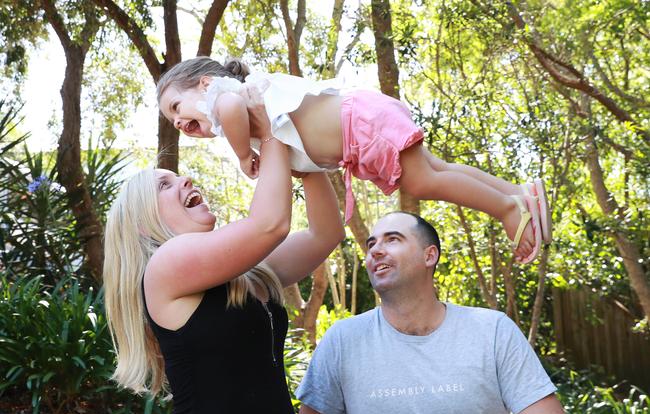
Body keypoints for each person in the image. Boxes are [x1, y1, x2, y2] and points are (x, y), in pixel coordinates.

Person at [102, 86, 345, 414]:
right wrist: (270, 135)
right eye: (165, 185)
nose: (184, 180)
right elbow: (270, 224)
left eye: (178, 176)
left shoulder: (246, 276)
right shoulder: (166, 267)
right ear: (145, 225)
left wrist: (302, 155)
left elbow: (325, 234)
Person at [290, 212, 592, 414]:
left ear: (429, 255)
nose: (375, 251)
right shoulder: (343, 341)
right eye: (371, 245)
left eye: (392, 239)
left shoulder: (492, 331)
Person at [155, 56, 552, 265]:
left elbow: (230, 110)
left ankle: (505, 210)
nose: (177, 121)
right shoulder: (248, 110)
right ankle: (516, 193)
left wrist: (243, 155)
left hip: (359, 125)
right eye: (170, 120)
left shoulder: (226, 95)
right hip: (360, 125)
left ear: (204, 83)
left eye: (176, 106)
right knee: (436, 170)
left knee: (422, 182)